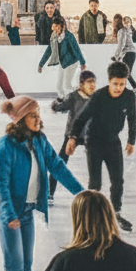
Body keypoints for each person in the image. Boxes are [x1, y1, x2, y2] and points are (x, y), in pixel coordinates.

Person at [0, 97, 83, 271]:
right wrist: (9, 214)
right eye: (33, 116)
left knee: (27, 266)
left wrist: (82, 193)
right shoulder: (5, 146)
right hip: (8, 213)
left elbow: (57, 167)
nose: (38, 120)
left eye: (39, 115)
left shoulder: (39, 140)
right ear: (20, 119)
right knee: (15, 267)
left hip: (26, 212)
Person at [67, 61, 136, 232]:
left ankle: (116, 212)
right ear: (109, 81)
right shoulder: (98, 96)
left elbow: (132, 120)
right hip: (94, 141)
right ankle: (93, 214)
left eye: (122, 84)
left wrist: (131, 141)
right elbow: (81, 118)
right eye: (115, 84)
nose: (118, 88)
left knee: (118, 180)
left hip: (113, 140)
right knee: (95, 182)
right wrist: (73, 138)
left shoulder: (129, 97)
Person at [50, 70, 96, 200]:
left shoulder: (95, 98)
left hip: (89, 136)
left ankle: (93, 192)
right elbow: (60, 107)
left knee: (94, 165)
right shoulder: (73, 97)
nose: (92, 85)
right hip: (72, 136)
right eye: (89, 82)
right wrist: (56, 105)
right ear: (81, 84)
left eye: (94, 82)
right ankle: (49, 192)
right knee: (59, 163)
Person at [38, 15, 87, 99]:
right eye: (54, 27)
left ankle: (80, 95)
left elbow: (76, 49)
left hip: (71, 62)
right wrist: (40, 64)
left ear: (63, 26)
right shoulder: (54, 37)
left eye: (57, 27)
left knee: (67, 85)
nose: (55, 29)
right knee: (59, 86)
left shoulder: (69, 36)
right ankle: (62, 100)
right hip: (63, 62)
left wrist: (82, 62)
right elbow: (48, 51)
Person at [113, 14, 136, 96]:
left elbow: (121, 45)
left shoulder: (122, 31)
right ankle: (134, 89)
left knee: (126, 73)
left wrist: (116, 56)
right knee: (126, 73)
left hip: (128, 53)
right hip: (130, 53)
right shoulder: (125, 30)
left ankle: (135, 89)